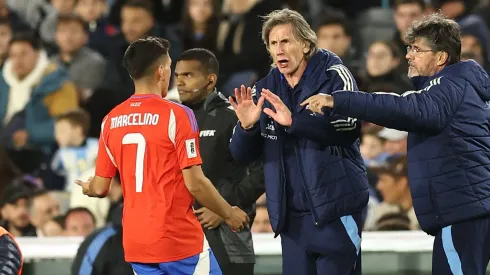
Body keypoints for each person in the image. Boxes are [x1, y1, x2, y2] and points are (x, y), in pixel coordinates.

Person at [302, 13, 490, 275]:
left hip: (462, 211)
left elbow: (403, 108)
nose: (408, 56)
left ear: (441, 57)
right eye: (408, 48)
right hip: (470, 209)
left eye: (416, 49)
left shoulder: (446, 86)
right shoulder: (465, 88)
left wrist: (340, 100)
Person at [75, 36, 249, 275]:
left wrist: (87, 187)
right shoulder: (177, 115)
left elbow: (100, 187)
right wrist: (229, 213)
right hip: (177, 240)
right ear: (161, 71)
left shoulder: (110, 120)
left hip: (137, 242)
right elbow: (195, 183)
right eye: (169, 67)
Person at [228, 8, 369, 275]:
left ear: (306, 44)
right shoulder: (263, 90)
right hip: (291, 223)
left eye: (286, 41)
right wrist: (246, 128)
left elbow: (350, 127)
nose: (279, 49)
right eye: (273, 43)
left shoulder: (334, 75)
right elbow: (240, 156)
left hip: (334, 214)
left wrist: (295, 122)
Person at [176, 48, 265, 275]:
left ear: (210, 79)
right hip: (183, 236)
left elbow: (261, 171)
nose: (180, 82)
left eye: (188, 75)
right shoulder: (175, 121)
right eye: (177, 76)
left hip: (228, 237)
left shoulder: (232, 117)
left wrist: (223, 208)